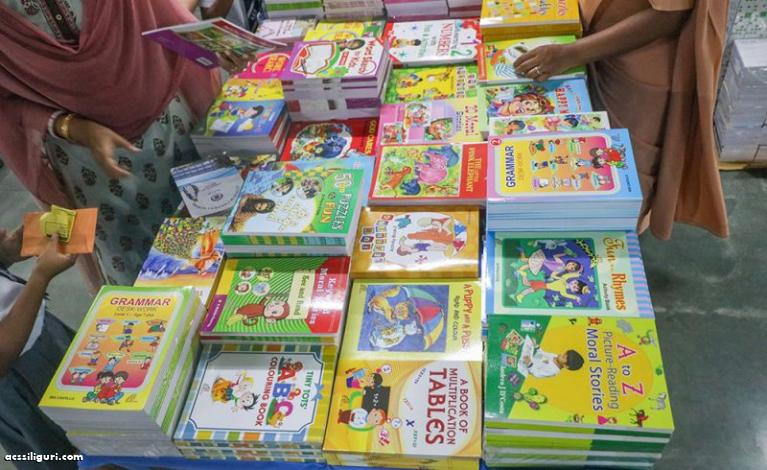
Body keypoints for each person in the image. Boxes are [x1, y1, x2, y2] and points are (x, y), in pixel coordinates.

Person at [0, 1, 252, 287]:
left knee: (219, 225)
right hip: (89, 166)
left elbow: (155, 13)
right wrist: (73, 127)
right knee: (147, 277)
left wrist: (208, 47)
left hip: (166, 122)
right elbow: (7, 103)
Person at [512, 0, 728, 239]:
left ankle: (617, 240)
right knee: (582, 156)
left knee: (624, 173)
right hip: (590, 41)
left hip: (637, 68)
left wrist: (573, 53)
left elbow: (669, 16)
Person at [0, 228, 79, 469]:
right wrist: (41, 276)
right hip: (20, 379)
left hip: (39, 330)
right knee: (67, 453)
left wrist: (4, 255)